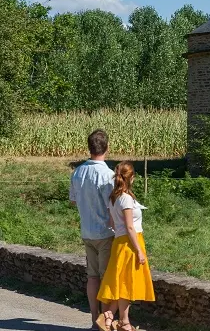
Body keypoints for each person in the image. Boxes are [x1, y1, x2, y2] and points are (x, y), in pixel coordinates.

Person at [96, 161, 155, 331]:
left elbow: (113, 223)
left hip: (119, 242)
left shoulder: (113, 198)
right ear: (132, 178)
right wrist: (139, 250)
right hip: (130, 242)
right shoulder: (127, 199)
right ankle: (124, 322)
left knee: (122, 283)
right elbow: (130, 227)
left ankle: (108, 317)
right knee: (127, 285)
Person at [70, 129, 116, 330]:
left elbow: (73, 201)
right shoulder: (108, 175)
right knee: (106, 279)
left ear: (89, 148)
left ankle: (94, 319)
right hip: (105, 232)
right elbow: (113, 206)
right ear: (107, 147)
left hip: (87, 231)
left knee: (92, 277)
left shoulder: (78, 172)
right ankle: (104, 322)